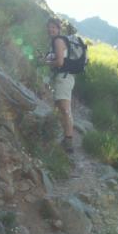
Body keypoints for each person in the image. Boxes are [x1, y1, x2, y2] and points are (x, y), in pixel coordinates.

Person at [45, 18, 74, 153]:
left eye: (53, 27)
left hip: (64, 78)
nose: (50, 29)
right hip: (65, 77)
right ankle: (66, 139)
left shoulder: (58, 41)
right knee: (62, 108)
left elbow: (60, 62)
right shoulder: (57, 41)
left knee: (65, 109)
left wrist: (47, 63)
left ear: (58, 29)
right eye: (49, 27)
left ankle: (68, 142)